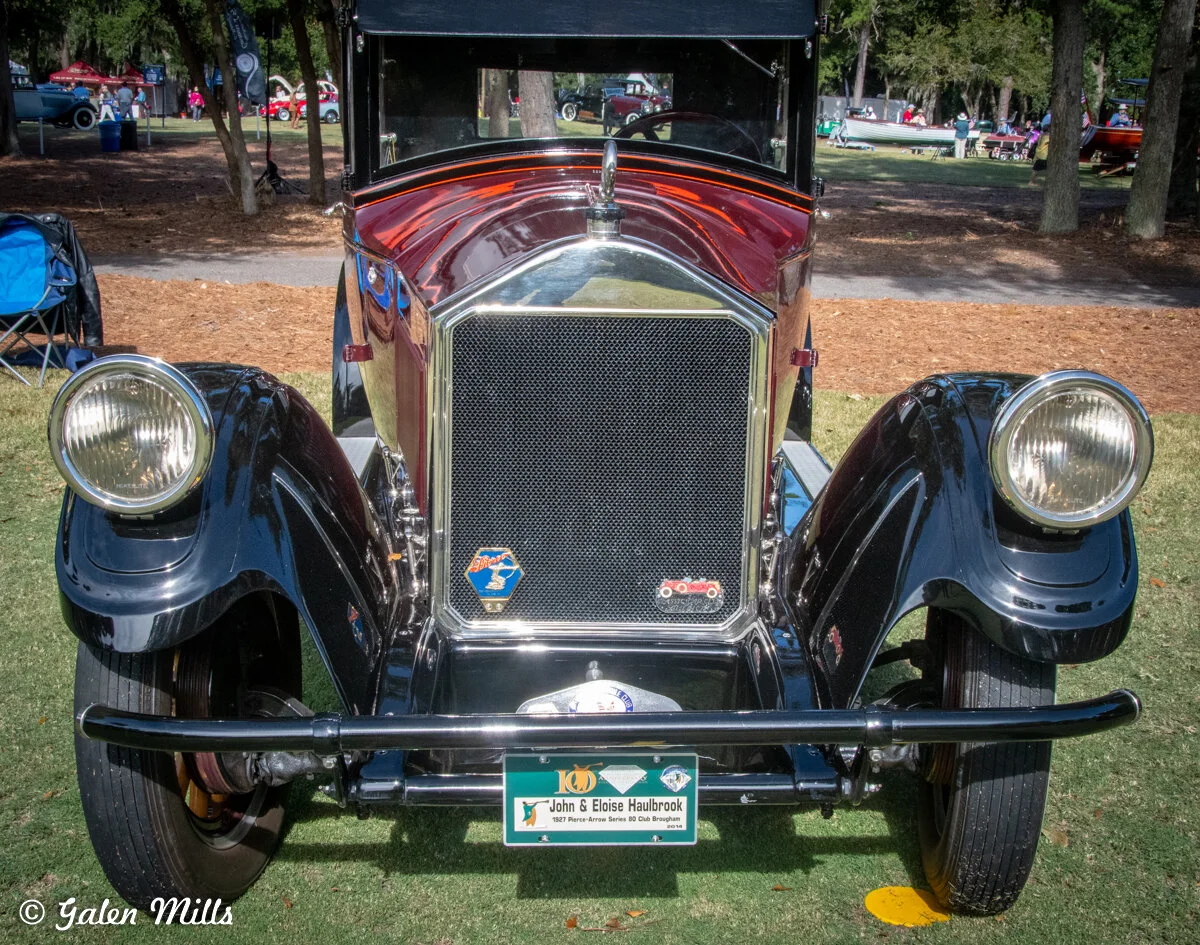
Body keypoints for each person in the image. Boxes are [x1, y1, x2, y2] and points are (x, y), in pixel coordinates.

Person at [1029, 120, 1050, 185]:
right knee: (1048, 169)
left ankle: (1032, 181)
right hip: (1043, 155)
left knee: (1035, 169)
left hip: (1038, 154)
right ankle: (1031, 182)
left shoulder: (1041, 135)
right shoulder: (1048, 137)